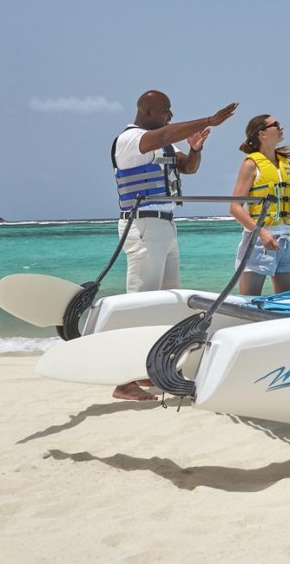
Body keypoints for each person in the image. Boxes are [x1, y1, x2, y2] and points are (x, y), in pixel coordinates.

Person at [110, 89, 238, 400]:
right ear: (147, 111)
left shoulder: (165, 143)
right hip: (143, 225)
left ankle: (150, 370)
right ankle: (122, 379)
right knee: (139, 303)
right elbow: (165, 133)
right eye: (166, 110)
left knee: (166, 301)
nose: (171, 116)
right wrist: (209, 120)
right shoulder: (130, 139)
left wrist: (195, 148)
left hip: (165, 225)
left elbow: (188, 168)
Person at [230, 114, 290, 297]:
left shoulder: (287, 165)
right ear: (262, 134)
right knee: (249, 300)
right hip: (259, 241)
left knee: (287, 301)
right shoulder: (251, 165)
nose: (281, 127)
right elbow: (235, 207)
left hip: (288, 239)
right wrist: (262, 233)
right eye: (276, 124)